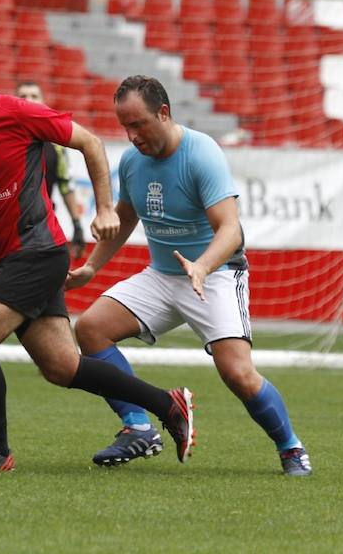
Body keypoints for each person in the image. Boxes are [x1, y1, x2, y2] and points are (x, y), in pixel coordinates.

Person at [0, 43, 193, 471]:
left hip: (39, 252)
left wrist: (103, 208)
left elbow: (91, 143)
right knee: (63, 367)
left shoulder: (19, 113)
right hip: (12, 257)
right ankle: (168, 404)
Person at [66, 75, 311, 476]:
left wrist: (202, 266)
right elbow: (125, 219)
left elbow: (230, 229)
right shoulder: (132, 162)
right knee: (91, 329)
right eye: (125, 126)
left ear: (163, 113)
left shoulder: (202, 154)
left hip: (215, 274)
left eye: (139, 124)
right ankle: (139, 427)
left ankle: (290, 448)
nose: (132, 136)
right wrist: (92, 267)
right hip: (163, 276)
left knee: (238, 373)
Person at [0, 80, 86, 373]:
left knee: (41, 292)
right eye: (24, 95)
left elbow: (66, 186)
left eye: (35, 95)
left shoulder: (57, 145)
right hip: (0, 229)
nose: (30, 99)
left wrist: (78, 224)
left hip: (37, 234)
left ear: (44, 99)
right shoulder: (8, 133)